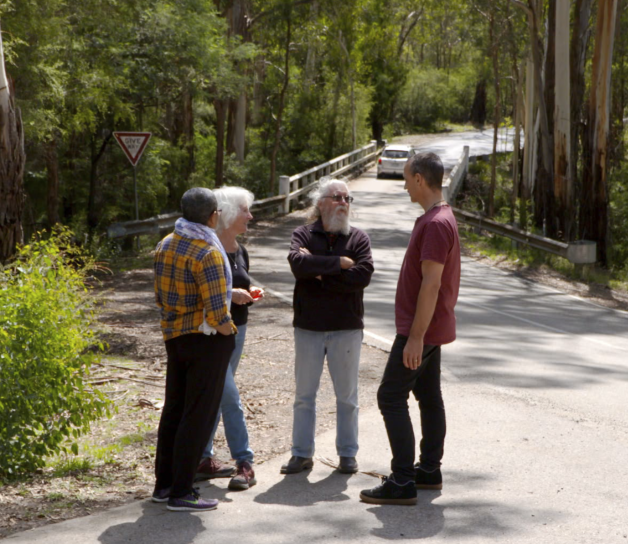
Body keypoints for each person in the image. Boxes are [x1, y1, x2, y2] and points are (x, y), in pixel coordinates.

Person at [360, 152, 460, 506]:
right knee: (429, 397)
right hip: (430, 327)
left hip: (421, 328)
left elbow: (431, 284)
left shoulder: (434, 223)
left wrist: (414, 336)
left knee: (390, 396)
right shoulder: (439, 217)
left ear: (419, 178)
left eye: (405, 177)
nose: (403, 185)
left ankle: (403, 479)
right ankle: (429, 470)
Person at [151, 187, 237, 512]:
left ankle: (165, 485)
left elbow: (160, 297)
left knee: (174, 410)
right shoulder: (207, 251)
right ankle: (183, 491)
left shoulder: (165, 244)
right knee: (197, 415)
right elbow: (217, 314)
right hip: (206, 341)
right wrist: (231, 330)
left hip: (175, 336)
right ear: (212, 215)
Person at [283, 177, 374, 475]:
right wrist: (338, 265)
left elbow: (362, 276)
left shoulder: (358, 239)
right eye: (337, 197)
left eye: (347, 199)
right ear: (320, 202)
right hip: (308, 327)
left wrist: (318, 271)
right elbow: (298, 265)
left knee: (347, 397)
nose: (343, 203)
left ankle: (347, 455)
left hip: (346, 327)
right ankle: (301, 454)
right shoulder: (303, 233)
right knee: (304, 396)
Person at [195, 186, 265, 491]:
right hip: (212, 331)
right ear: (229, 214)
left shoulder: (240, 249)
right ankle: (244, 462)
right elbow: (199, 292)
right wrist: (228, 295)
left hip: (239, 329)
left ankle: (203, 458)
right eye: (245, 210)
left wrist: (247, 295)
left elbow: (240, 283)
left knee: (219, 394)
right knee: (230, 397)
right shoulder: (207, 249)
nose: (250, 215)